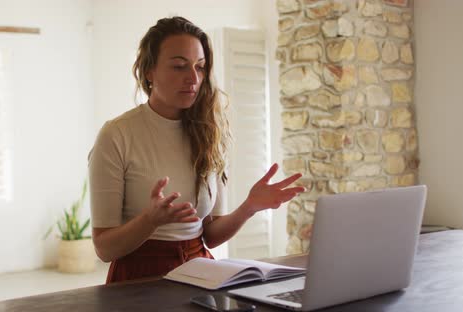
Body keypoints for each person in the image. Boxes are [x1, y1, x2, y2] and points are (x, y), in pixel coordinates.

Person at [88, 16, 305, 284]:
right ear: (149, 71)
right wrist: (150, 220)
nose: (193, 78)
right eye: (179, 66)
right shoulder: (116, 135)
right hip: (138, 277)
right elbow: (104, 249)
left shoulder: (208, 131)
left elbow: (210, 235)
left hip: (199, 271)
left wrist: (249, 207)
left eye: (200, 67)